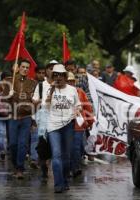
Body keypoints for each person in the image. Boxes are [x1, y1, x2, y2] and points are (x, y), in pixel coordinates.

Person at [45, 64, 81, 193]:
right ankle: (58, 184)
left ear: (65, 76)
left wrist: (77, 110)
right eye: (55, 75)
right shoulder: (49, 89)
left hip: (68, 125)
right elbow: (45, 107)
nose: (58, 77)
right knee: (56, 155)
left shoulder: (72, 90)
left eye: (60, 75)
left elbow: (78, 104)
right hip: (53, 125)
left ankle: (65, 180)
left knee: (66, 156)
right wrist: (50, 94)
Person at [3, 59, 37, 179]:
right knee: (13, 144)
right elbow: (3, 99)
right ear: (18, 67)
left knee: (23, 144)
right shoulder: (9, 81)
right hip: (12, 117)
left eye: (27, 67)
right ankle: (14, 165)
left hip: (26, 117)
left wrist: (33, 117)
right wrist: (9, 95)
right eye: (23, 67)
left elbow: (35, 102)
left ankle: (20, 168)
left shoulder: (33, 83)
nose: (25, 69)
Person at [32, 60, 56, 182]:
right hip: (43, 119)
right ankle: (44, 167)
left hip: (57, 118)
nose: (52, 71)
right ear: (46, 71)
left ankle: (51, 165)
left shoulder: (61, 84)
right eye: (50, 68)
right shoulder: (41, 85)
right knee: (42, 145)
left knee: (54, 144)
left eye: (54, 68)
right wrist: (40, 100)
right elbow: (34, 100)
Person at [67, 72, 94, 177]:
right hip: (64, 126)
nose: (70, 83)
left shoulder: (80, 92)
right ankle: (68, 168)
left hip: (79, 125)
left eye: (72, 81)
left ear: (74, 82)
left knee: (77, 147)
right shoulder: (60, 93)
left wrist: (90, 121)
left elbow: (88, 108)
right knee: (68, 148)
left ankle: (75, 168)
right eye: (68, 81)